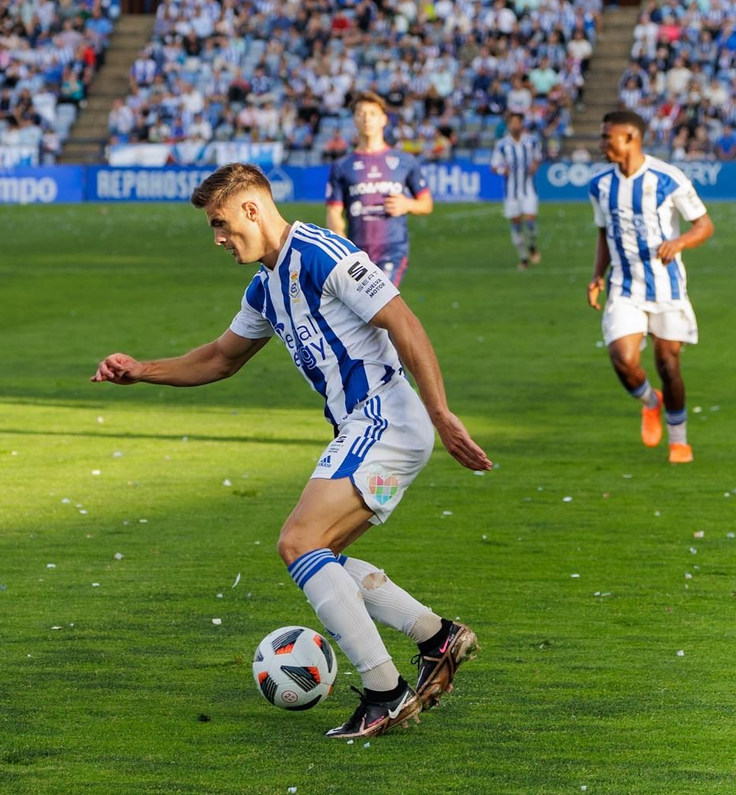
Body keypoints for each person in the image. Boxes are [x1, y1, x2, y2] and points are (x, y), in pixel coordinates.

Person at [92, 163, 490, 740]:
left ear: (253, 209)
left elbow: (403, 321)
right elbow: (219, 359)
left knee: (299, 542)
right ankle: (436, 637)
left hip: (385, 419)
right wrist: (140, 371)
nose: (219, 239)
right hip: (374, 432)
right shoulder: (264, 286)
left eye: (221, 223)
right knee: (318, 557)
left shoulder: (322, 253)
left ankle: (386, 691)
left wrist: (441, 413)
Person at [586, 111, 715, 464]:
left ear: (630, 137)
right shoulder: (600, 185)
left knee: (668, 364)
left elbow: (704, 225)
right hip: (623, 286)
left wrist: (681, 243)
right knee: (623, 359)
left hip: (666, 287)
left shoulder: (667, 178)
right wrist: (597, 275)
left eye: (606, 137)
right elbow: (603, 233)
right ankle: (650, 402)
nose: (601, 145)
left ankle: (679, 440)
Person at [325, 92, 432, 286]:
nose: (367, 118)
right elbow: (333, 212)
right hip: (355, 253)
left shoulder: (404, 161)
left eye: (372, 113)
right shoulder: (342, 165)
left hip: (392, 250)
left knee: (378, 303)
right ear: (354, 120)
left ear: (383, 119)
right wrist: (342, 247)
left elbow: (426, 204)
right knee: (363, 314)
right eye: (361, 113)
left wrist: (407, 204)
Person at [490, 112, 543, 269]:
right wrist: (502, 171)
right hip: (511, 192)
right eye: (511, 123)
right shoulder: (502, 145)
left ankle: (532, 246)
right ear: (508, 125)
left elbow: (538, 158)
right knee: (516, 225)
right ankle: (523, 258)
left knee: (530, 221)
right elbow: (494, 166)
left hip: (528, 189)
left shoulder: (532, 141)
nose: (514, 126)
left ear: (522, 124)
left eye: (517, 122)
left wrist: (535, 165)